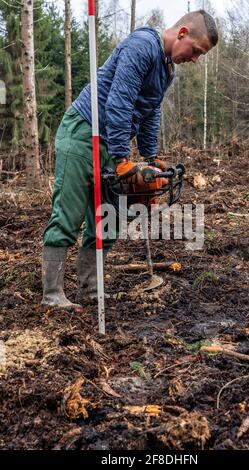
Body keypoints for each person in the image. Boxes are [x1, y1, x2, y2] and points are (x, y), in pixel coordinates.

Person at [42, 9, 218, 309]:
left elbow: (150, 111)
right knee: (69, 214)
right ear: (183, 33)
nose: (194, 59)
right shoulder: (142, 46)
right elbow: (119, 100)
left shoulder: (167, 69)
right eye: (196, 51)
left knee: (107, 219)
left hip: (109, 142)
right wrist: (124, 158)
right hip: (84, 131)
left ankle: (89, 291)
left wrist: (151, 157)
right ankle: (52, 294)